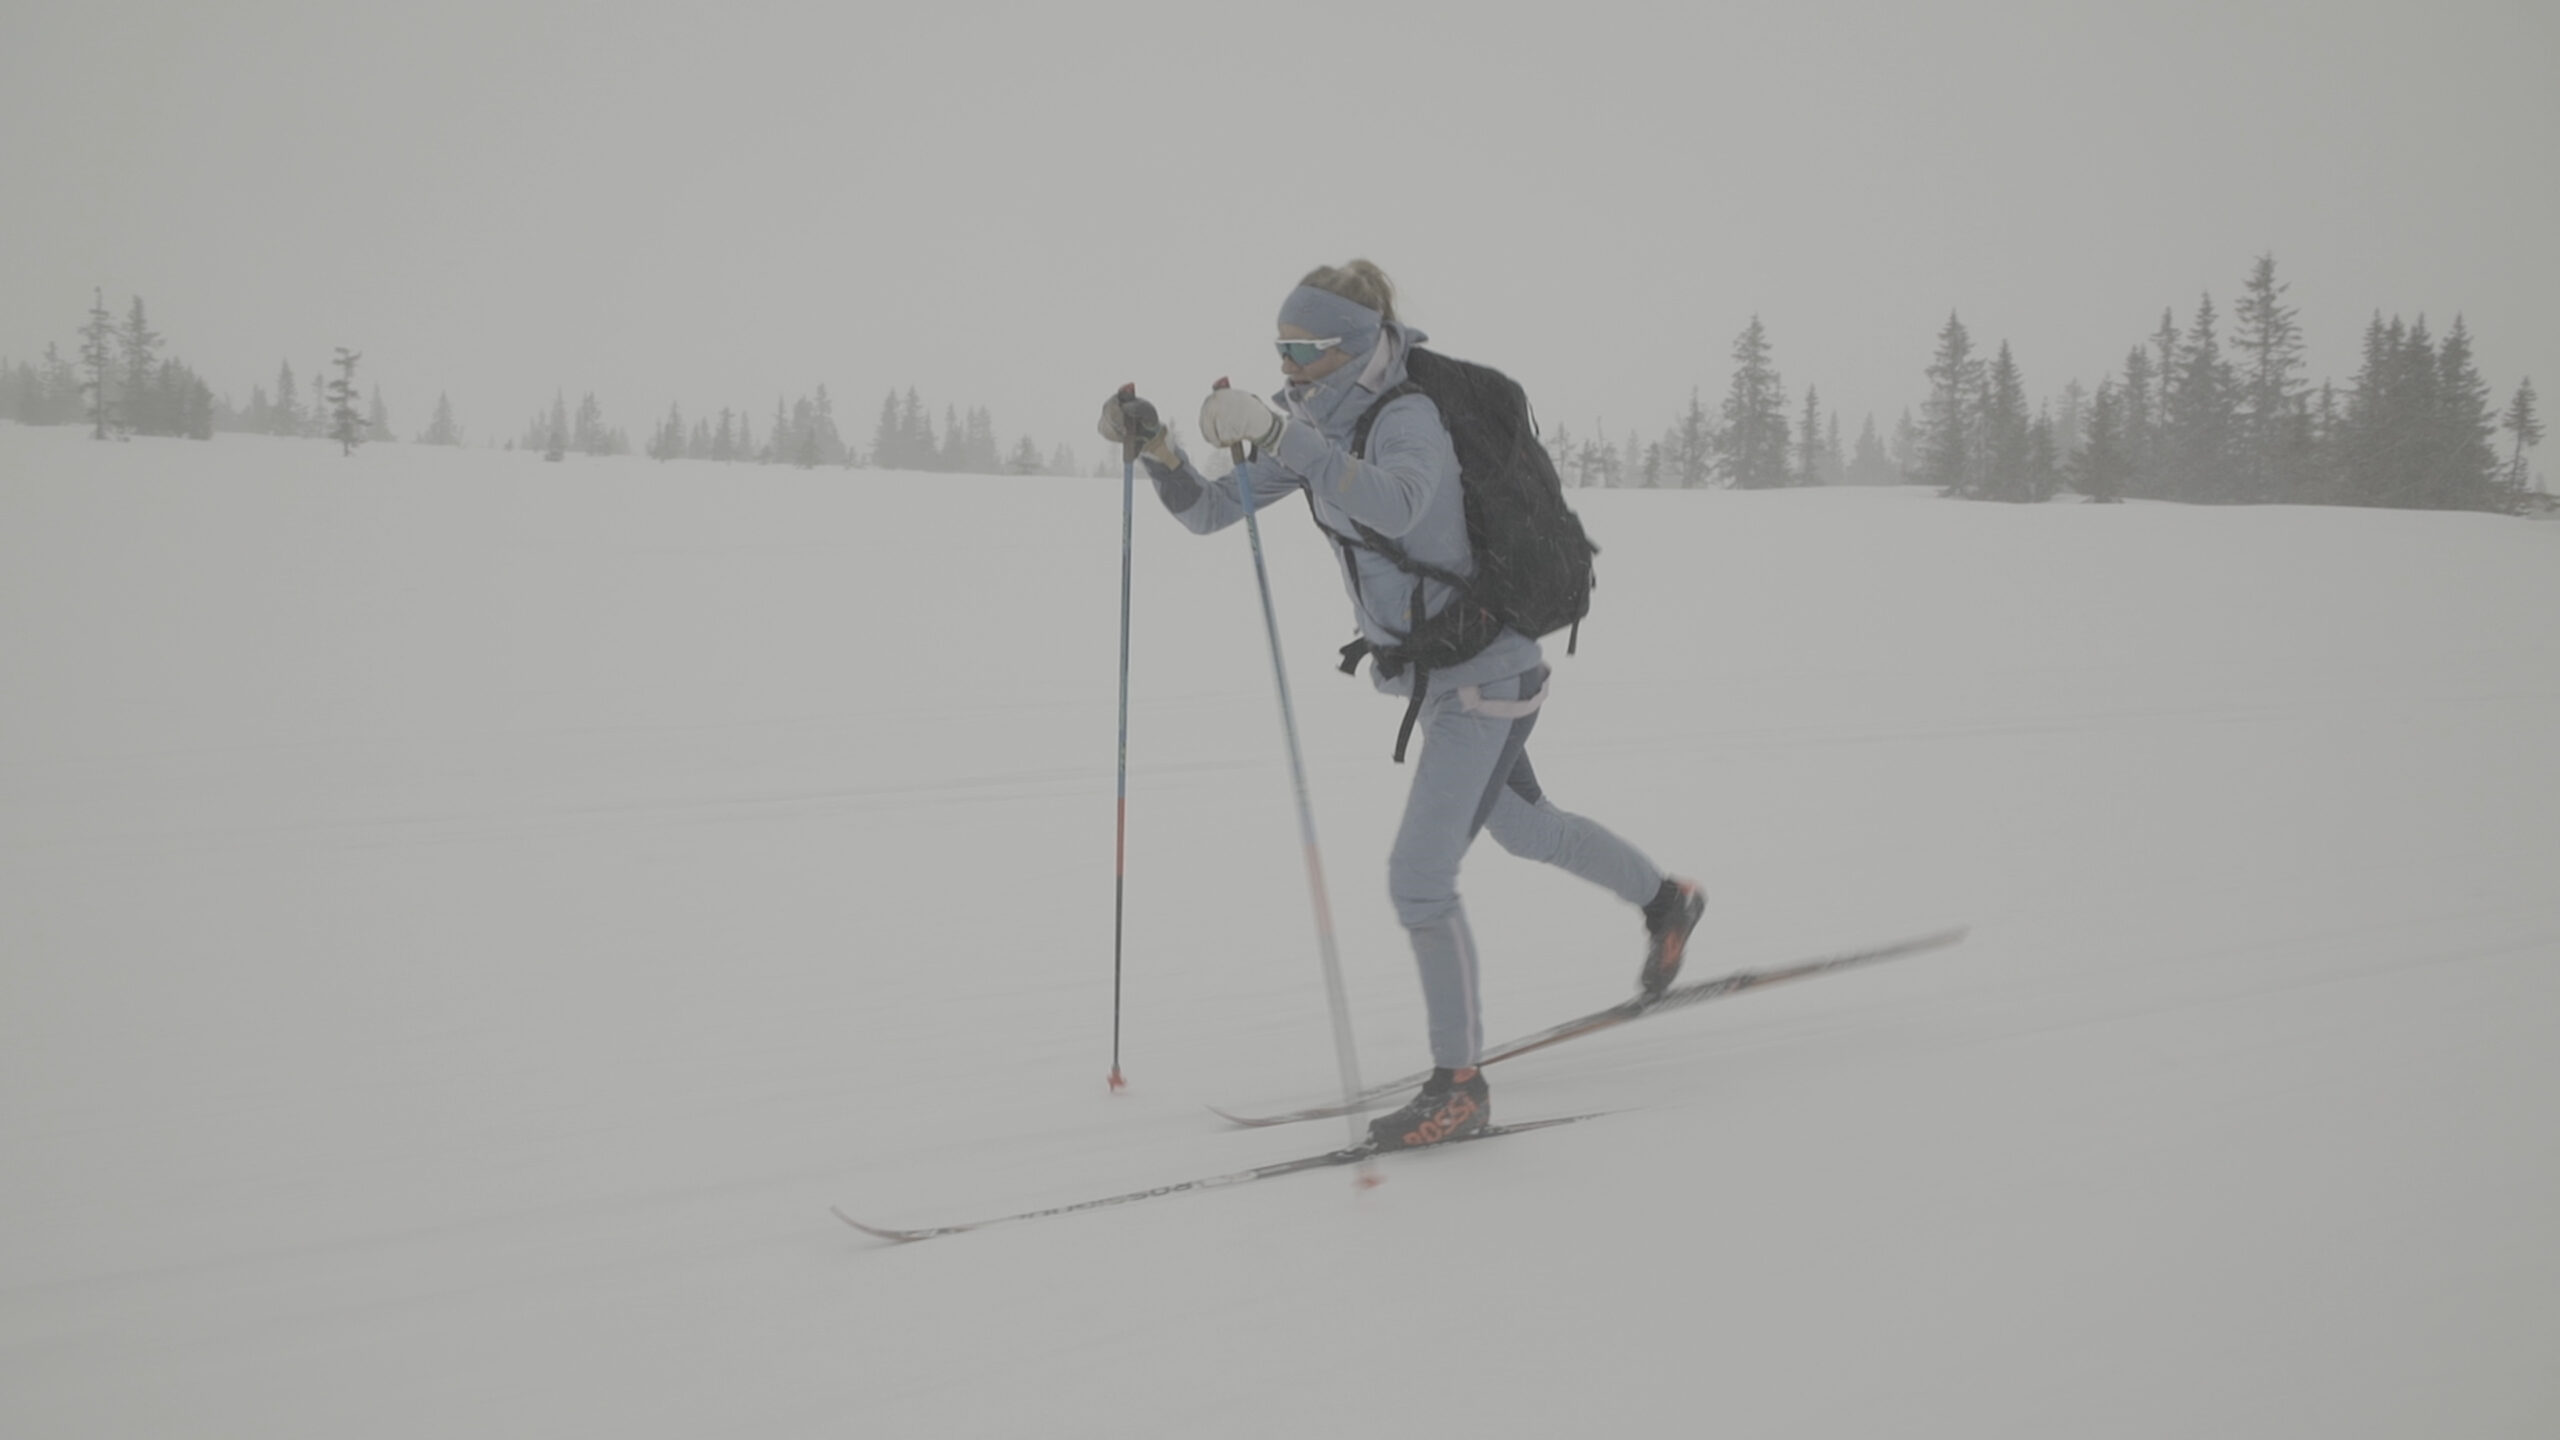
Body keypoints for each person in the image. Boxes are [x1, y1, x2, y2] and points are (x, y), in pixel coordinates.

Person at [1099, 260, 1704, 1150]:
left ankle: (1460, 1088)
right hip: (1449, 678)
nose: (1287, 362)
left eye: (1301, 348)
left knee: (1418, 881)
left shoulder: (1406, 417)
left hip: (1487, 681)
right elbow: (1207, 512)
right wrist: (1160, 453)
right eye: (1280, 347)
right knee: (1529, 830)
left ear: (1349, 348)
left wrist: (1279, 433)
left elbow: (1406, 508)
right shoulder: (1315, 421)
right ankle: (1667, 900)